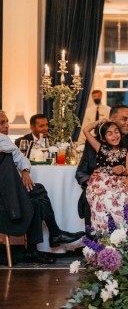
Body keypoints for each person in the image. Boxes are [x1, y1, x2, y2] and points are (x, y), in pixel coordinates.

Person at [0, 110, 84, 264]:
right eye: (2, 123)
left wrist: (25, 171)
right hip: (4, 197)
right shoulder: (3, 141)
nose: (6, 126)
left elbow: (22, 159)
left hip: (10, 192)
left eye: (6, 122)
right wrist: (23, 165)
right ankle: (55, 233)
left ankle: (34, 250)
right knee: (39, 190)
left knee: (37, 202)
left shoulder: (6, 141)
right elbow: (18, 154)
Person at [76, 105, 128, 225]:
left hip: (124, 187)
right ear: (111, 120)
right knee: (102, 198)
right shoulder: (96, 143)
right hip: (99, 187)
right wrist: (92, 183)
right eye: (124, 119)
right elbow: (80, 172)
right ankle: (99, 239)